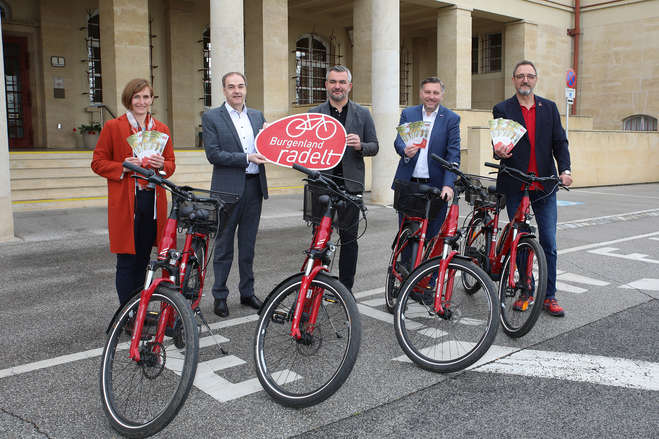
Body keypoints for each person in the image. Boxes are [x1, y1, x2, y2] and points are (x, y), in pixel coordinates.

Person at [492, 60, 573, 317]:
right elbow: (499, 143)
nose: (524, 80)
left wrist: (566, 170)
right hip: (515, 184)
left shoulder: (548, 108)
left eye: (529, 76)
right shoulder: (502, 108)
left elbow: (560, 143)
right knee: (520, 241)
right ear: (514, 80)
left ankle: (549, 295)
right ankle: (526, 290)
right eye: (520, 76)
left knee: (548, 241)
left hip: (545, 185)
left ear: (535, 79)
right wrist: (498, 151)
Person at [91, 78, 176, 306]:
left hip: (152, 202)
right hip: (126, 203)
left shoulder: (161, 129)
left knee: (144, 261)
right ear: (129, 99)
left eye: (146, 97)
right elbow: (98, 163)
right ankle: (126, 314)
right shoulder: (113, 127)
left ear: (151, 99)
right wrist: (122, 165)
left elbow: (170, 165)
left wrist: (161, 164)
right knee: (127, 261)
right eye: (136, 97)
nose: (141, 101)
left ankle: (140, 310)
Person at [202, 72, 268, 318]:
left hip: (254, 187)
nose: (237, 91)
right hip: (226, 190)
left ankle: (247, 292)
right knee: (224, 245)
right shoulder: (211, 117)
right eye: (231, 87)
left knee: (248, 246)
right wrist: (246, 158)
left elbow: (267, 146)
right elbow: (213, 154)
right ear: (224, 90)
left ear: (246, 88)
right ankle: (220, 295)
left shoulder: (257, 116)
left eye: (240, 86)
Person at [309, 65, 379, 293]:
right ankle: (317, 286)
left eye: (341, 82)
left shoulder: (363, 114)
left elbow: (374, 146)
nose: (337, 86)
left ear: (349, 85)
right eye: (332, 82)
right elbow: (304, 148)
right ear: (326, 85)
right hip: (322, 185)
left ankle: (345, 290)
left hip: (350, 186)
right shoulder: (314, 114)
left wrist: (360, 146)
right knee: (319, 238)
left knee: (349, 240)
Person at [393, 76, 461, 240]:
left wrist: (448, 185)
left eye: (435, 93)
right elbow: (398, 141)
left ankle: (427, 266)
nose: (431, 96)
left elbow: (453, 153)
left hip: (436, 187)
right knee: (407, 237)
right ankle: (406, 266)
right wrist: (404, 150)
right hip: (409, 184)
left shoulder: (451, 118)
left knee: (431, 237)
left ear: (441, 95)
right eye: (428, 92)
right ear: (421, 93)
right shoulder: (409, 113)